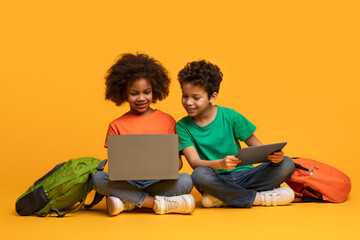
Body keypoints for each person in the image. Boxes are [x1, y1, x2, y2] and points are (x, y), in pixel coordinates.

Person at [175, 60, 295, 208]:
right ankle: (257, 197)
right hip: (215, 178)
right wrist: (220, 164)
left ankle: (223, 197)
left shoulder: (231, 116)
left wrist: (274, 157)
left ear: (212, 97)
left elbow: (259, 149)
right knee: (198, 175)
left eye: (196, 97)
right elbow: (194, 162)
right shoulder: (182, 126)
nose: (188, 102)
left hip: (246, 175)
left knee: (287, 163)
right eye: (184, 96)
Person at [92, 53, 195, 216]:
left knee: (186, 180)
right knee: (97, 178)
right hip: (128, 182)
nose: (141, 98)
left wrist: (164, 166)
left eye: (146, 92)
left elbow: (178, 164)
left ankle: (128, 202)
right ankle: (157, 203)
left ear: (155, 90)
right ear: (123, 93)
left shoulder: (167, 121)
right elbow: (115, 168)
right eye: (134, 93)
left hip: (158, 182)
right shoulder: (116, 125)